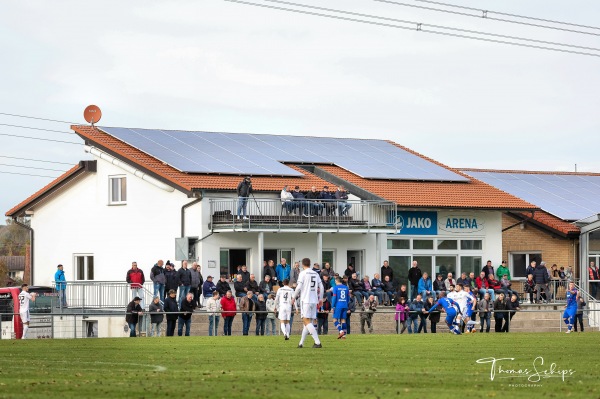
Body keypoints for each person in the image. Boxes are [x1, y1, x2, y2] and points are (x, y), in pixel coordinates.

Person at [294, 257, 324, 348]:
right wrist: (321, 299)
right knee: (307, 323)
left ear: (303, 265)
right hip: (314, 300)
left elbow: (299, 287)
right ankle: (301, 343)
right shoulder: (316, 273)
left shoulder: (303, 273)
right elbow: (321, 287)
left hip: (306, 300)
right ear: (310, 264)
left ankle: (317, 342)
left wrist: (293, 297)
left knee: (306, 321)